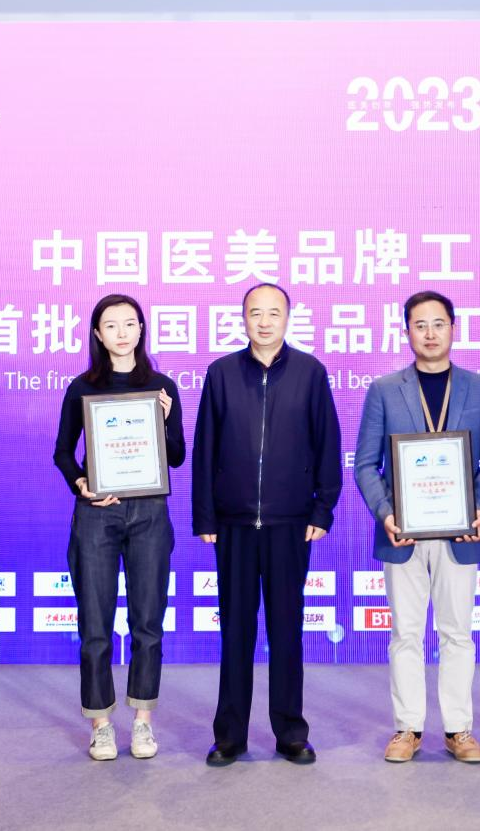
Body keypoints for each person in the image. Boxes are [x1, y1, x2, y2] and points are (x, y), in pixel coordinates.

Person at [192, 283, 342, 766]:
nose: (264, 321)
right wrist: (205, 514)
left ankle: (291, 732)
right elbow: (205, 449)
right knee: (235, 632)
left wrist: (322, 509)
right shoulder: (221, 373)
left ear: (287, 318)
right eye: (255, 313)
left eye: (273, 313)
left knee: (286, 631)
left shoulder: (310, 373)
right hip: (234, 524)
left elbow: (327, 445)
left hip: (290, 523)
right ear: (243, 319)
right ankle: (229, 735)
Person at [355, 291, 480, 764]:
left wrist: (478, 508)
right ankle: (408, 728)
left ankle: (459, 730)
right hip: (401, 532)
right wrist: (386, 514)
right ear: (407, 332)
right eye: (420, 325)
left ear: (453, 329)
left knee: (457, 633)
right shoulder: (384, 390)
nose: (430, 333)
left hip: (460, 532)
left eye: (438, 324)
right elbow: (365, 464)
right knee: (405, 634)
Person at [53, 293, 186, 761]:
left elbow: (176, 456)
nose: (122, 332)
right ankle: (101, 725)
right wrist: (81, 483)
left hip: (149, 512)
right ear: (97, 333)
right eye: (111, 325)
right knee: (95, 624)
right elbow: (63, 452)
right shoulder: (82, 388)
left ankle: (143, 722)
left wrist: (164, 420)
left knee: (148, 622)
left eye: (130, 323)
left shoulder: (161, 387)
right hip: (97, 514)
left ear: (141, 329)